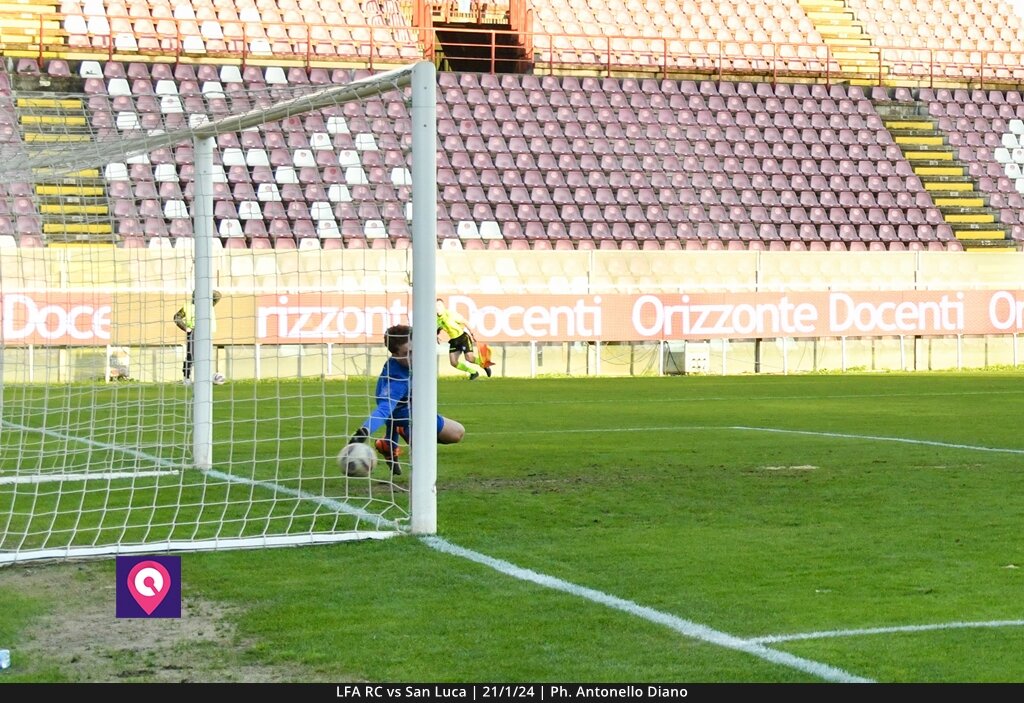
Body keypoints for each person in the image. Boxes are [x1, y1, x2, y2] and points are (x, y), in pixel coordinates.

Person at [347, 324, 465, 476]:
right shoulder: (398, 380)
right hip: (408, 414)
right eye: (407, 353)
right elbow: (384, 410)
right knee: (455, 433)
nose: (413, 356)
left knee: (456, 435)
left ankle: (389, 443)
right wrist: (362, 433)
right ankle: (404, 432)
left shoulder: (407, 360)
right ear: (395, 354)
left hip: (410, 408)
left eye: (414, 350)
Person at [173, 289, 222, 385]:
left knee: (205, 356)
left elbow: (218, 295)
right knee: (191, 355)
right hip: (193, 332)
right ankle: (186, 378)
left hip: (206, 332)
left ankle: (205, 378)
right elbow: (176, 317)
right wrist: (185, 328)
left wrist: (205, 287)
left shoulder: (208, 303)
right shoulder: (187, 306)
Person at [436, 297, 491, 380]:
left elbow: (465, 322)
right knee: (453, 362)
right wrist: (437, 337)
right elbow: (437, 329)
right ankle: (473, 372)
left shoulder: (451, 315)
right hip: (454, 341)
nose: (437, 307)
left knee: (469, 358)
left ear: (443, 306)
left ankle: (484, 364)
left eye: (439, 305)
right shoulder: (436, 319)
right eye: (436, 306)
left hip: (462, 338)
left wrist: (473, 334)